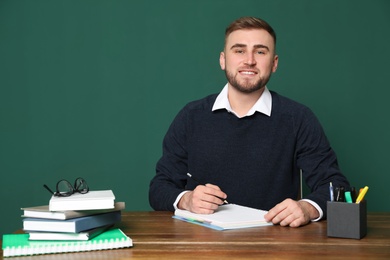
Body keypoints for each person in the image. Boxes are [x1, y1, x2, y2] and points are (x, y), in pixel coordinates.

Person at [149, 16, 350, 227]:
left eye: (260, 51)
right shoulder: (191, 116)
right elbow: (159, 188)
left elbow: (336, 187)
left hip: (274, 243)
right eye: (239, 50)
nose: (250, 60)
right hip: (203, 245)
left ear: (274, 63)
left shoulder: (298, 118)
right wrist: (186, 200)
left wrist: (307, 208)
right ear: (222, 60)